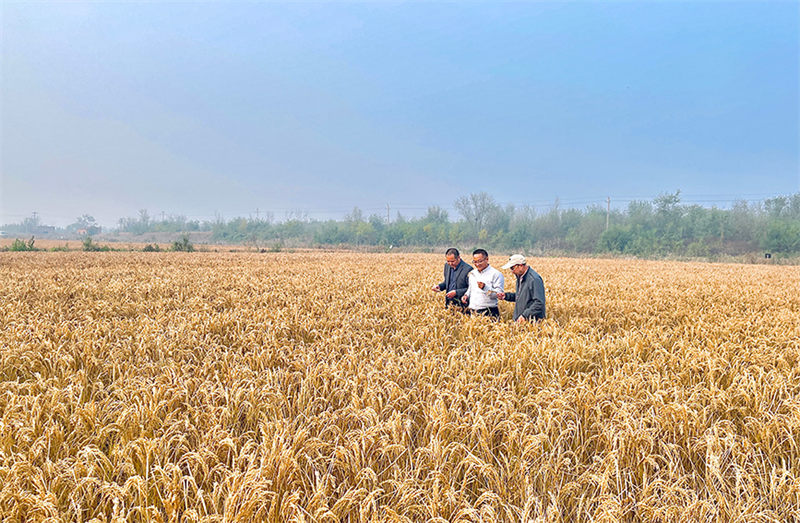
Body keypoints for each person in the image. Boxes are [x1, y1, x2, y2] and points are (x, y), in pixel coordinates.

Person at [497, 254, 546, 322]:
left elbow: (539, 303)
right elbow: (522, 297)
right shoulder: (520, 277)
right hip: (521, 321)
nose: (512, 272)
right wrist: (506, 296)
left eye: (512, 268)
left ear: (520, 266)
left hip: (531, 323)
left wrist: (525, 315)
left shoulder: (534, 279)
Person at [461, 249, 504, 318]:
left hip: (489, 312)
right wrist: (466, 295)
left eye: (480, 261)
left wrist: (485, 288)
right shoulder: (472, 273)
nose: (477, 264)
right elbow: (471, 288)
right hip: (473, 311)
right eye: (475, 262)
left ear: (487, 259)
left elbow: (500, 294)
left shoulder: (496, 274)